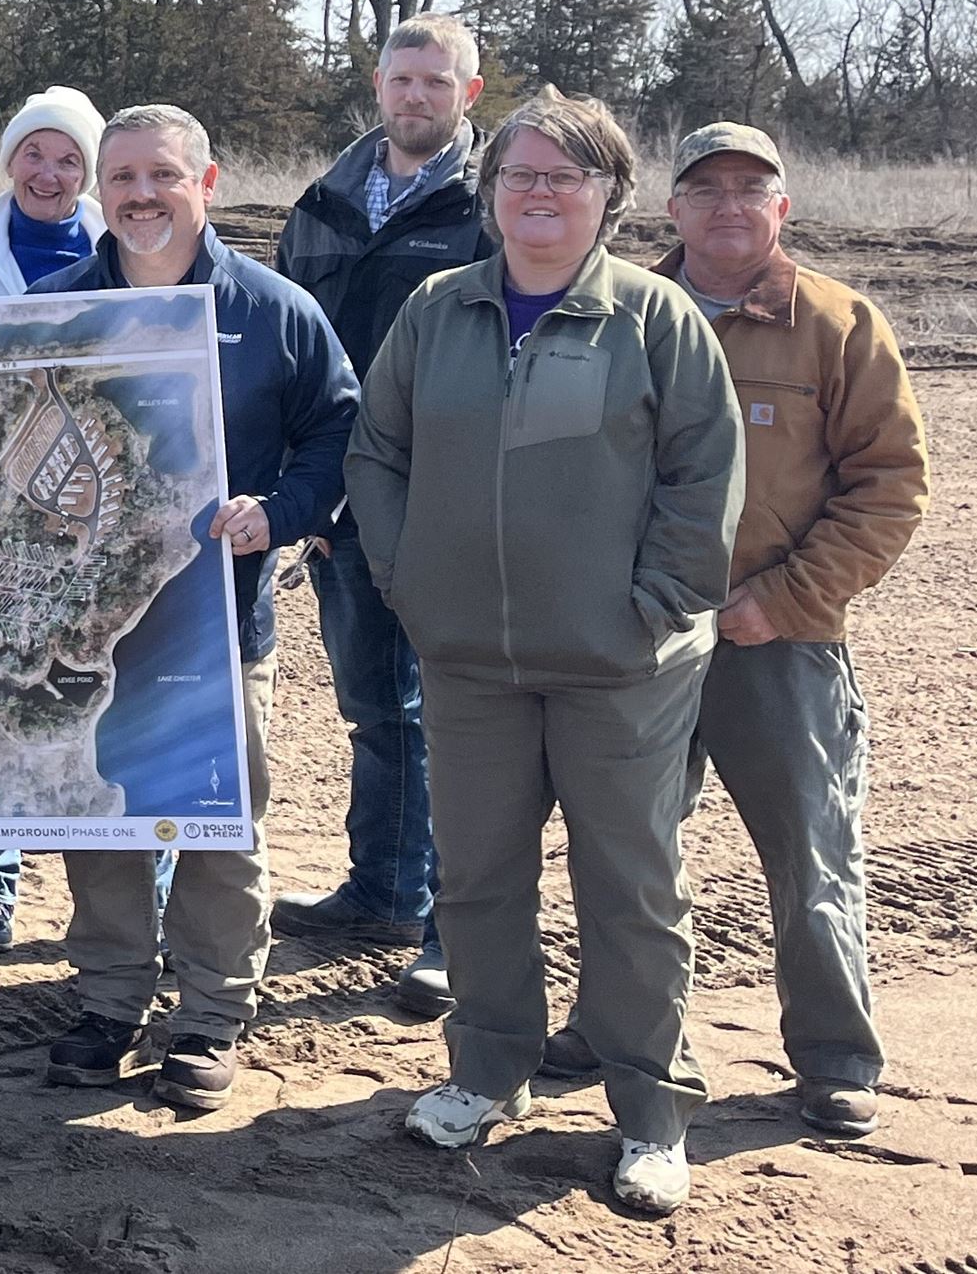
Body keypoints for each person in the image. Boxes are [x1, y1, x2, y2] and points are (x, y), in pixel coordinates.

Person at [347, 88, 743, 1215]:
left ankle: (650, 1110)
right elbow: (376, 453)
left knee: (629, 889)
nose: (536, 194)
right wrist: (403, 578)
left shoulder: (653, 320)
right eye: (517, 174)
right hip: (467, 658)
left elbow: (701, 476)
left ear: (608, 197)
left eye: (563, 177)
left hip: (620, 664)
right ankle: (485, 1069)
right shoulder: (434, 311)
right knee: (474, 878)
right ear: (486, 193)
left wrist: (652, 604)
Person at [533, 123, 928, 1139]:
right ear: (670, 207)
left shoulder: (837, 326)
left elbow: (887, 492)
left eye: (748, 189)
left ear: (780, 208)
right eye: (703, 188)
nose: (725, 206)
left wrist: (779, 601)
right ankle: (612, 1024)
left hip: (778, 643)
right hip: (637, 636)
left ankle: (835, 1055)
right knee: (623, 846)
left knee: (807, 851)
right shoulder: (616, 313)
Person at [29, 106, 356, 1111]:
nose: (138, 195)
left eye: (159, 175)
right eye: (118, 176)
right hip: (85, 629)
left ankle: (211, 1013)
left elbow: (336, 430)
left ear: (203, 181)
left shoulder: (271, 309)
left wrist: (284, 514)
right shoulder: (50, 308)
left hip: (218, 623)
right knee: (101, 817)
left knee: (218, 822)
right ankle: (110, 997)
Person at [271, 13, 497, 1018]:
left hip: (447, 500)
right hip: (341, 497)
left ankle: (456, 928)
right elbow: (284, 351)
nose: (414, 97)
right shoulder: (320, 205)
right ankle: (381, 891)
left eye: (434, 82)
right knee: (373, 706)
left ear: (467, 93)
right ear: (376, 84)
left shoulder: (490, 207)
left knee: (453, 715)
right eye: (400, 80)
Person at [0, 83, 109, 952]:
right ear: (9, 162)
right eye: (35, 154)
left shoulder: (128, 260)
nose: (50, 172)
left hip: (89, 512)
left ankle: (115, 895)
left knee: (91, 688)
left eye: (70, 158)